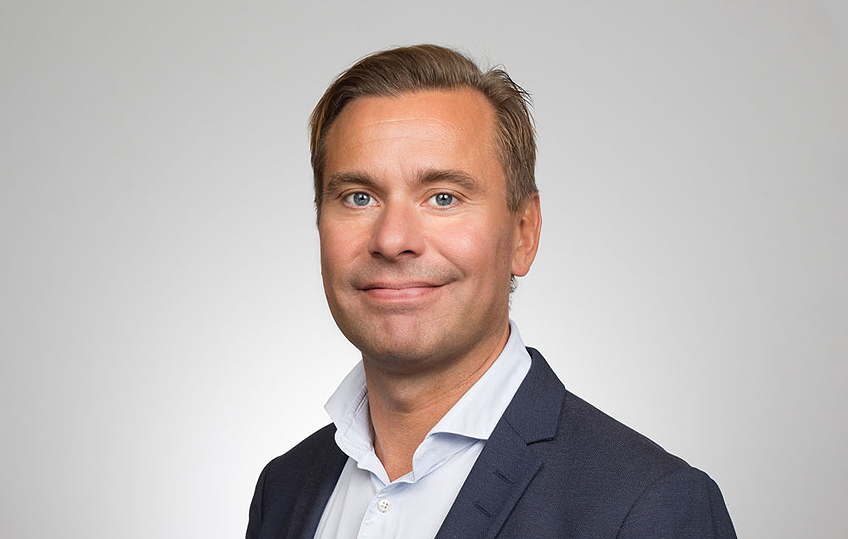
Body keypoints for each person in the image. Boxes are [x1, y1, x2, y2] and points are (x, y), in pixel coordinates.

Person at [246, 44, 737, 539]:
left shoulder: (651, 506)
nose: (392, 240)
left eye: (443, 197)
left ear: (524, 234)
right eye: (359, 197)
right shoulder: (283, 491)